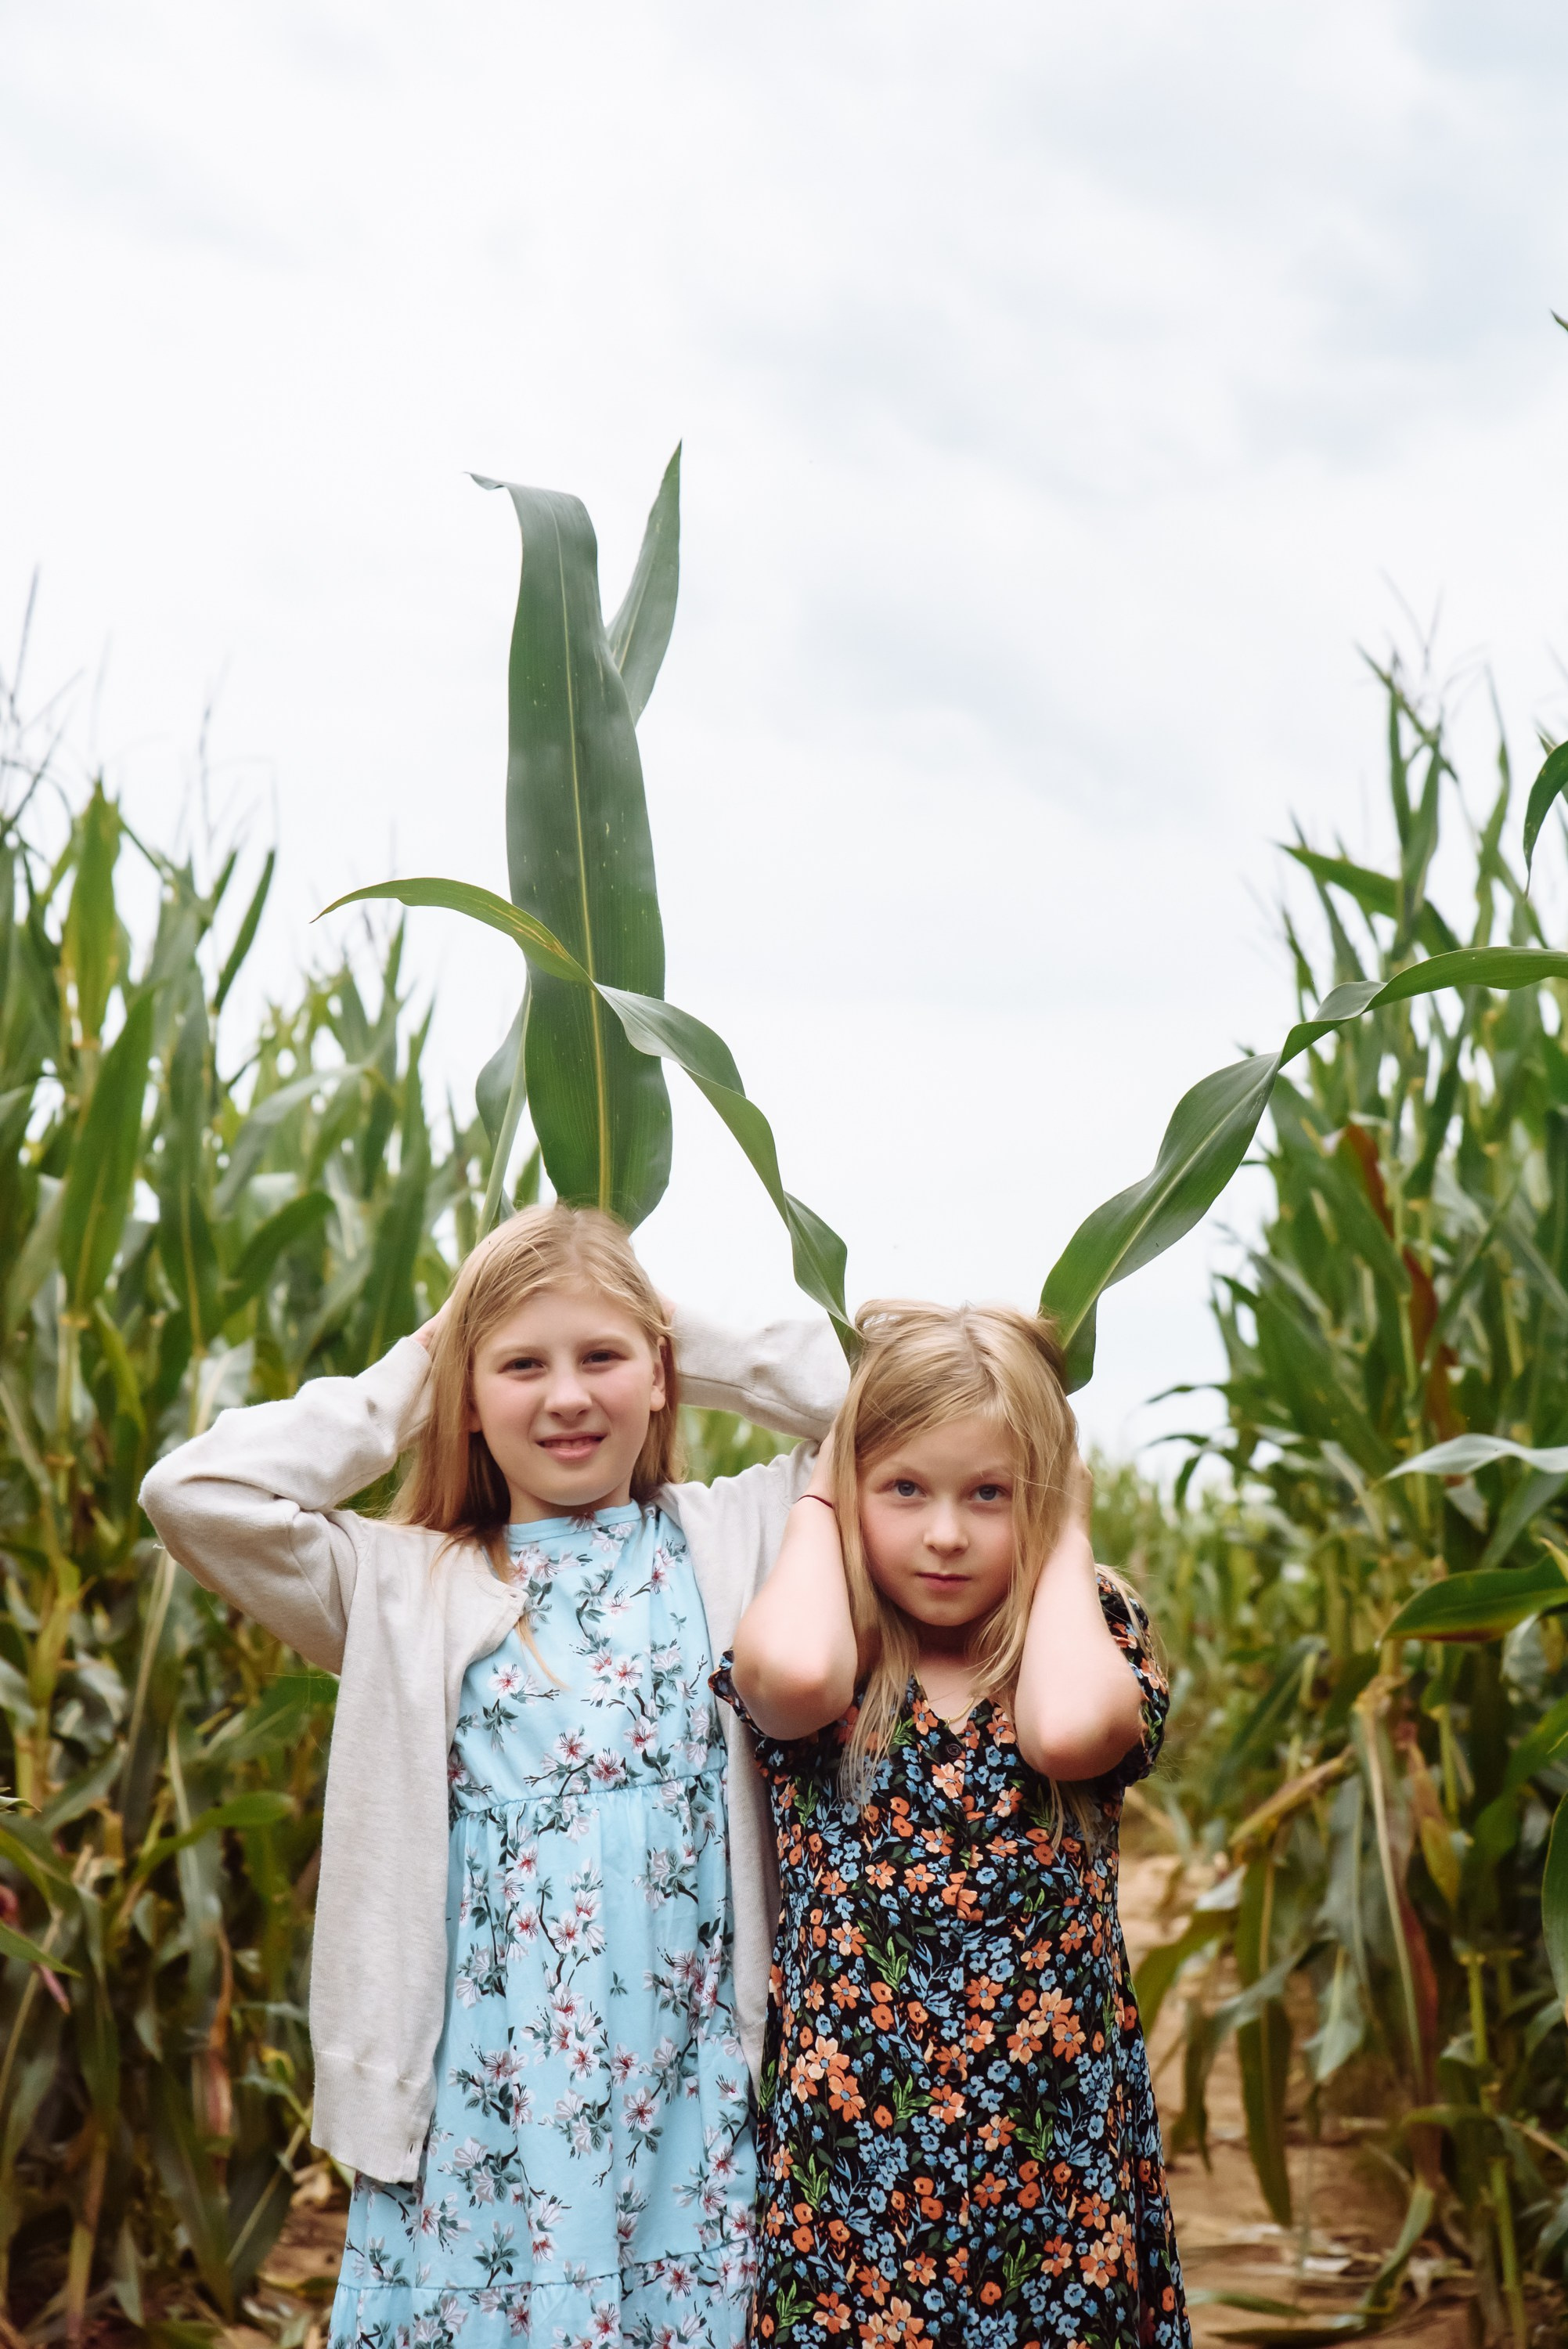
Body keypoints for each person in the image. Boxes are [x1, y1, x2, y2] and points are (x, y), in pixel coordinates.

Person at [139, 1203, 846, 2349]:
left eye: (603, 1358)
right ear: (466, 1398)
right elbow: (193, 1495)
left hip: (687, 2100)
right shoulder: (399, 1589)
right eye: (520, 1366)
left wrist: (671, 1331)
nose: (567, 1397)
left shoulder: (731, 1543)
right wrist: (419, 1367)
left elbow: (870, 1404)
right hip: (485, 2111)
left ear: (661, 1373)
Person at [716, 1300, 1189, 2349]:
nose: (943, 1532)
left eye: (992, 1495)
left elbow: (1068, 1731)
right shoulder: (835, 1656)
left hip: (1051, 2170)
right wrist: (819, 1497)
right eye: (902, 1489)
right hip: (854, 2177)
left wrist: (1062, 1530)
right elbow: (786, 1677)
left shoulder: (1092, 1638)